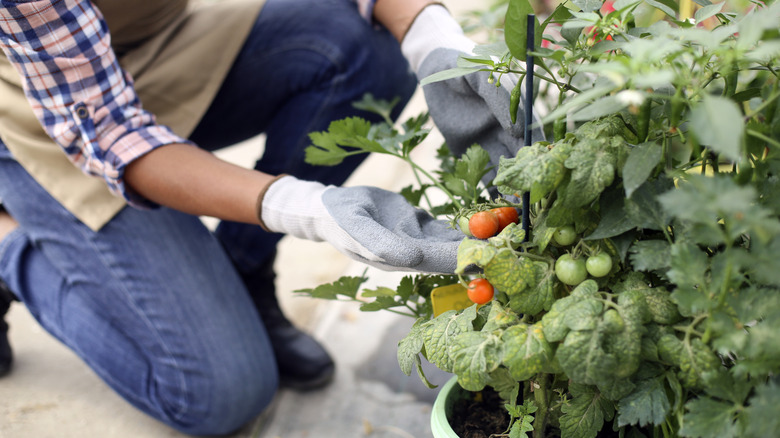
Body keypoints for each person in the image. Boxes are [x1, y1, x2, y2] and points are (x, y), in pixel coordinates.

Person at [0, 0, 533, 434]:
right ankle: (10, 244)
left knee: (361, 51)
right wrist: (303, 208)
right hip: (49, 109)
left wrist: (431, 37)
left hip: (160, 46)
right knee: (216, 393)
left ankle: (242, 268)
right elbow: (113, 135)